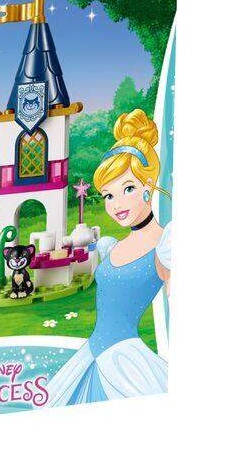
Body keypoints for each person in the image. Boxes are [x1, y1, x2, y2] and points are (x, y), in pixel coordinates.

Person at [46, 110, 172, 405]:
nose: (116, 204)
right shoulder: (112, 245)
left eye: (127, 189)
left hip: (124, 362)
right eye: (108, 195)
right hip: (90, 354)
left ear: (148, 187)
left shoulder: (166, 245)